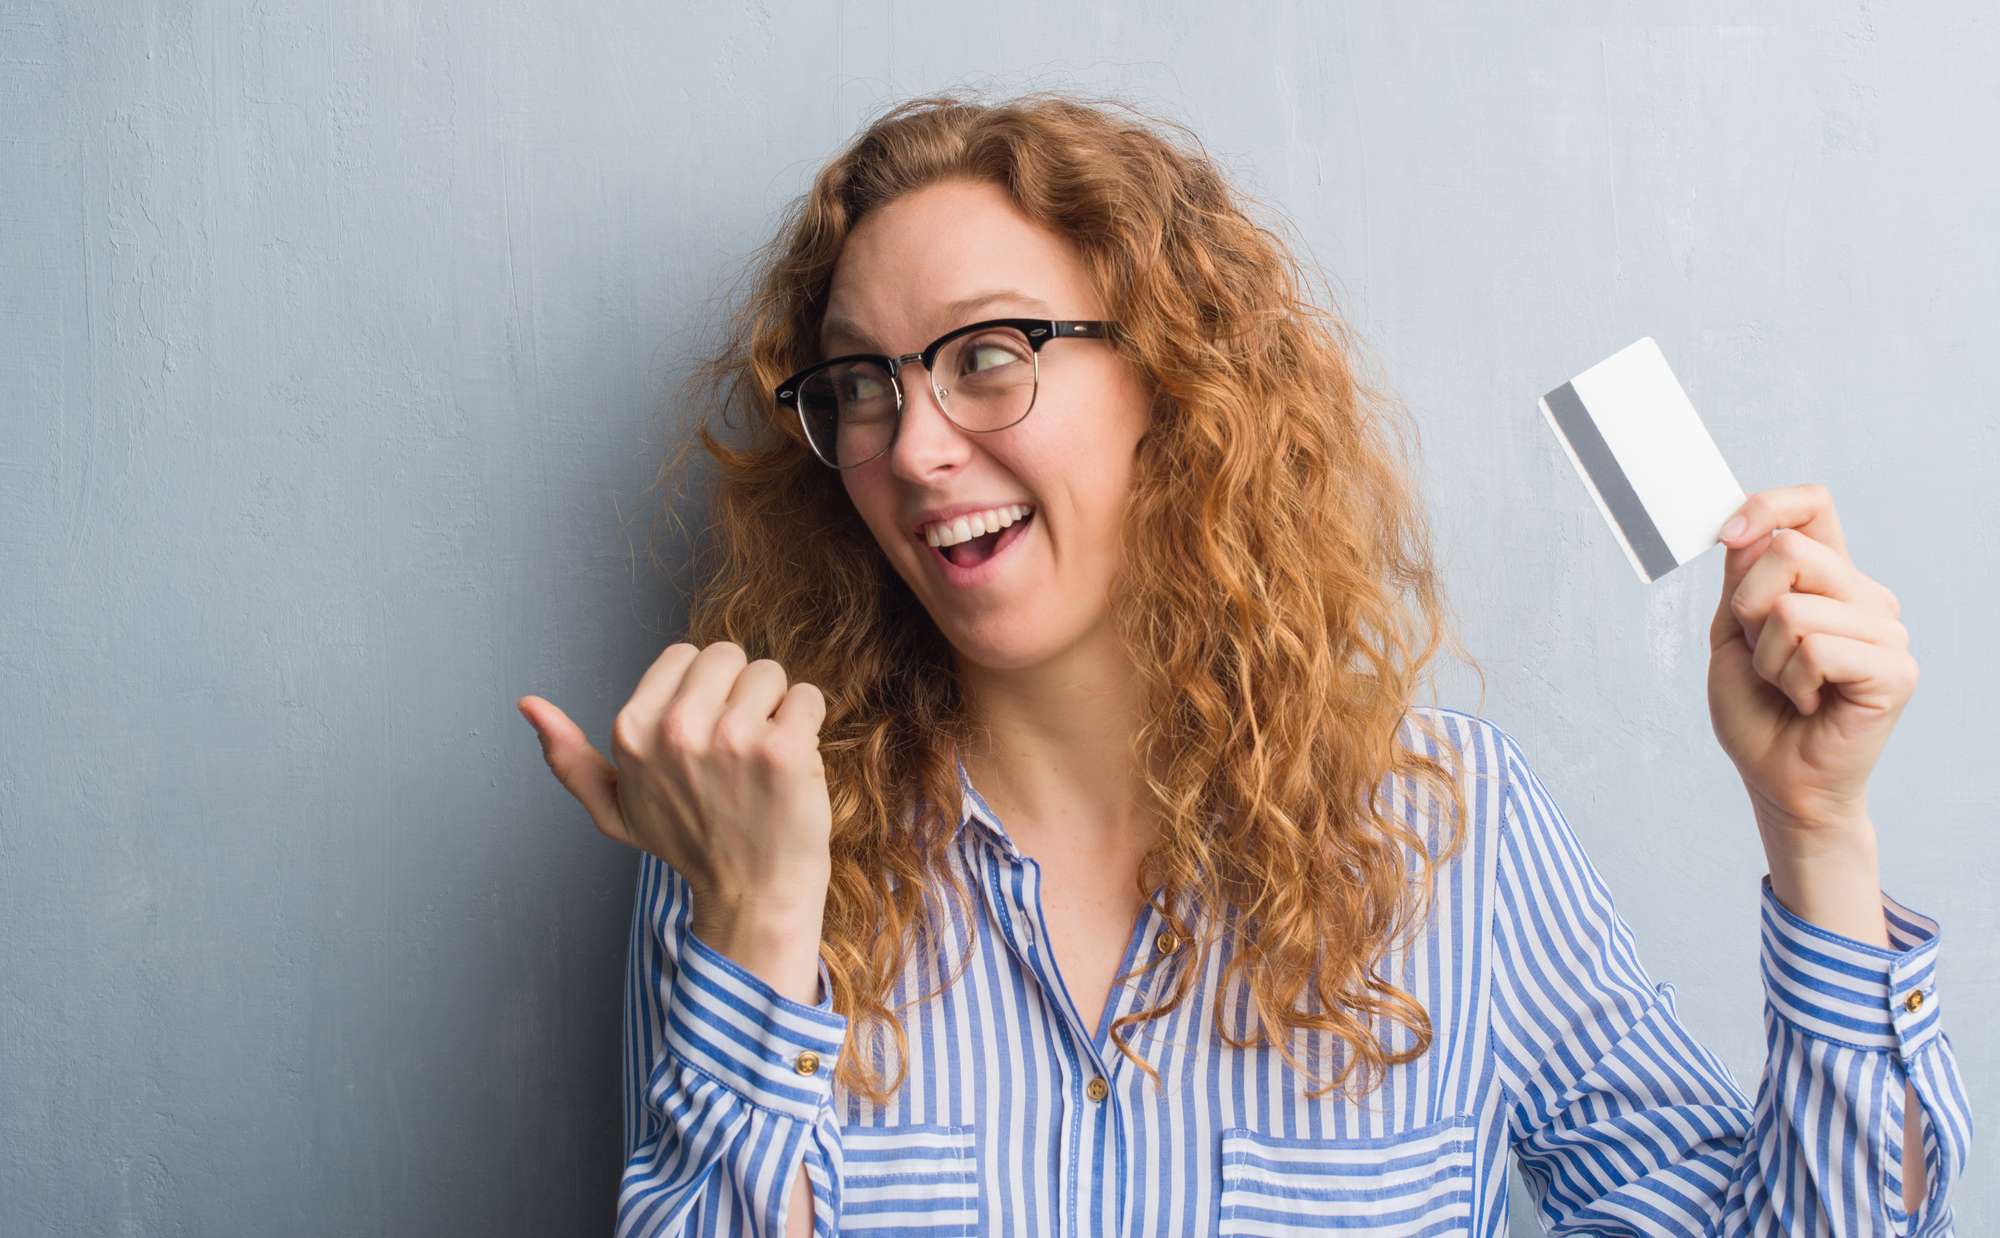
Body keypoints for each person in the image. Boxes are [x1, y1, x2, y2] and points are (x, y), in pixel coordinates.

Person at [517, 94, 1968, 1237]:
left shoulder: (1452, 835)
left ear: (1172, 381)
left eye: (989, 356)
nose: (914, 446)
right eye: (861, 384)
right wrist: (763, 923)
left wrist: (1817, 832)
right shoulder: (752, 838)